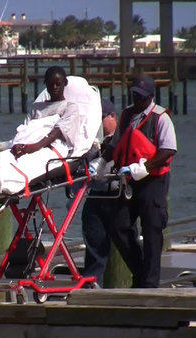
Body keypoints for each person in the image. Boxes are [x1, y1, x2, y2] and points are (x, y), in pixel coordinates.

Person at [0, 66, 101, 195]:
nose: (54, 87)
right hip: (27, 143)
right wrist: (18, 145)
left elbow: (55, 133)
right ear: (46, 85)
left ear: (65, 84)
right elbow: (27, 129)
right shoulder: (37, 108)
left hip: (52, 148)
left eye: (58, 84)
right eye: (51, 84)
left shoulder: (71, 108)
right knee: (3, 158)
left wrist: (32, 148)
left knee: (24, 163)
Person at [102, 74, 177, 288]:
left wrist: (144, 167)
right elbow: (116, 145)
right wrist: (100, 163)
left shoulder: (161, 117)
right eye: (135, 94)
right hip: (129, 180)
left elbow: (169, 149)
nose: (137, 99)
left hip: (153, 181)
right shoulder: (126, 115)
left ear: (151, 96)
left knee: (152, 229)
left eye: (142, 96)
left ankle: (150, 283)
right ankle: (141, 272)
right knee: (119, 224)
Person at [80, 99, 117, 285]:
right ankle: (90, 282)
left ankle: (140, 281)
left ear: (113, 117)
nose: (99, 124)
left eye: (102, 118)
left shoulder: (121, 138)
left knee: (126, 242)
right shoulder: (91, 142)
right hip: (95, 195)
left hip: (117, 196)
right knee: (94, 242)